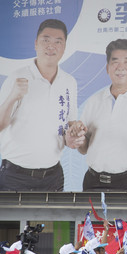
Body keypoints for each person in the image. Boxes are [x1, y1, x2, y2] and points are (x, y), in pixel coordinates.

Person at [0, 19, 81, 191]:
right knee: (11, 219)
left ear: (64, 47)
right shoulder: (17, 77)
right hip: (15, 177)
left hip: (53, 176)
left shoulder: (69, 82)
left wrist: (74, 135)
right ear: (36, 44)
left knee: (55, 219)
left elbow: (70, 123)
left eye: (58, 41)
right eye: (46, 40)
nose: (51, 46)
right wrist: (12, 97)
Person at [73, 39, 127, 191]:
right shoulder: (93, 101)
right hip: (93, 182)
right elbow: (83, 149)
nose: (121, 67)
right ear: (107, 68)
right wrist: (78, 137)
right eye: (115, 61)